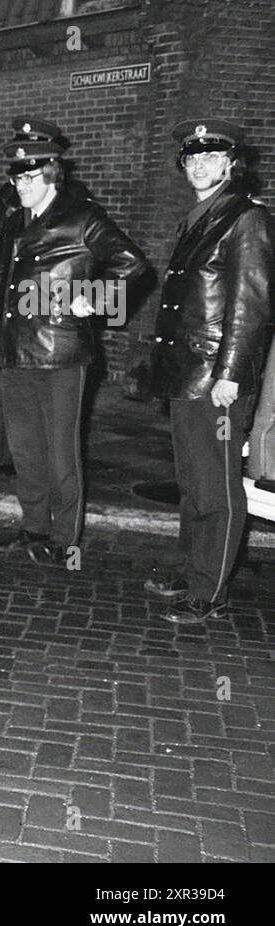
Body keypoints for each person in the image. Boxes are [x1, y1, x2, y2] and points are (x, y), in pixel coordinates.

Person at [0, 137, 147, 566]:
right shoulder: (15, 220)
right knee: (25, 448)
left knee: (60, 451)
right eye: (16, 178)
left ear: (52, 174)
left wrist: (95, 298)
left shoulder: (81, 217)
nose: (20, 185)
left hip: (60, 351)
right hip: (14, 349)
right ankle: (34, 524)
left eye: (30, 177)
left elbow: (131, 262)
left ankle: (64, 537)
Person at [145, 118, 274, 624]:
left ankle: (210, 590)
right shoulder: (201, 216)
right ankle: (194, 568)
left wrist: (231, 374)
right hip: (188, 371)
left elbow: (251, 305)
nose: (200, 165)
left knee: (217, 486)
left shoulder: (246, 218)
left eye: (211, 156)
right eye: (192, 157)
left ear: (231, 163)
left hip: (216, 377)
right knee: (193, 480)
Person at [0, 117, 74, 482]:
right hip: (5, 304)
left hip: (42, 313)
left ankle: (39, 469)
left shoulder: (70, 200)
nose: (23, 165)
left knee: (42, 401)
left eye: (33, 154)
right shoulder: (8, 193)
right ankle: (0, 457)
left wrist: (88, 301)